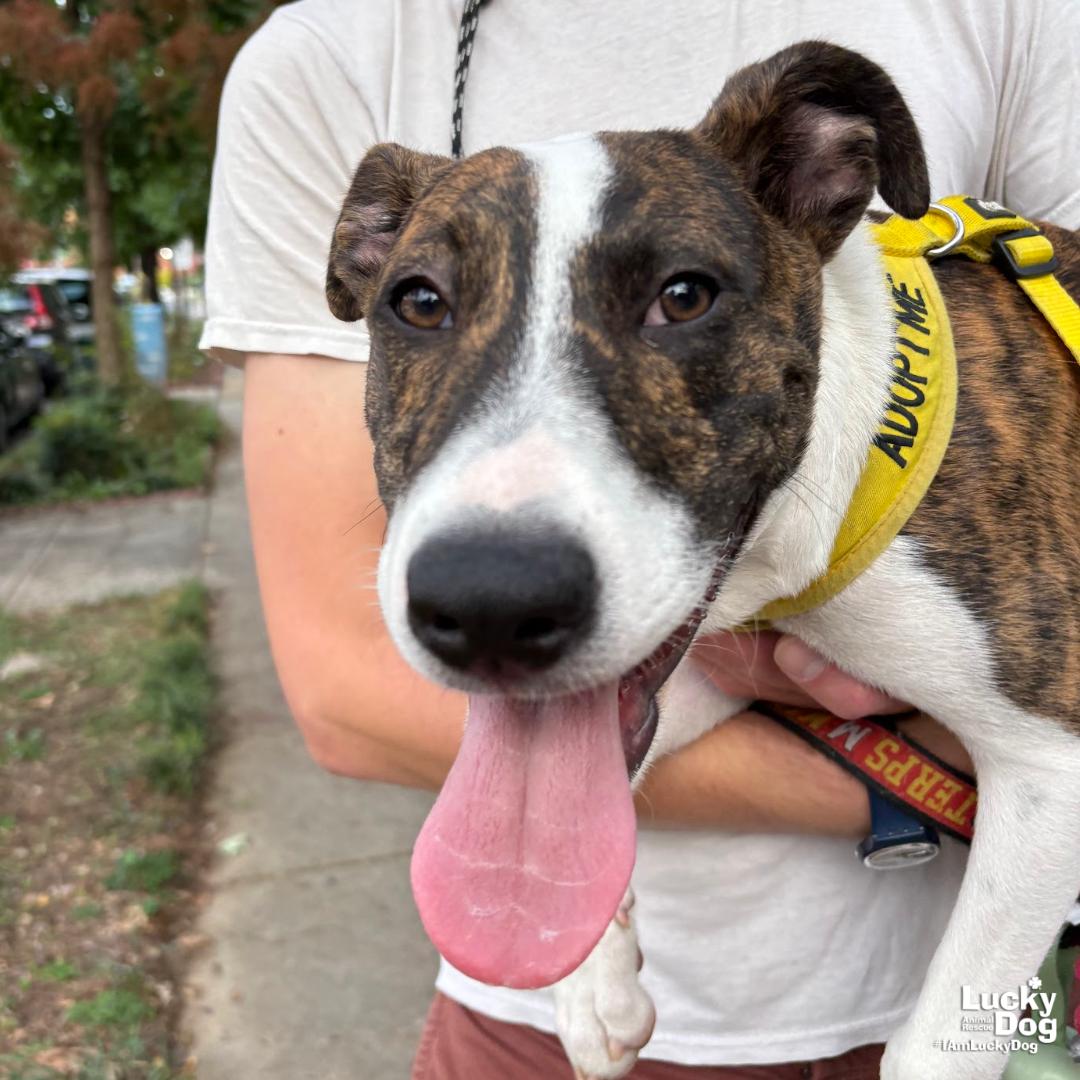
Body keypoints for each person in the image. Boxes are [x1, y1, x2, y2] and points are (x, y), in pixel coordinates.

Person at [200, 2, 1080, 1076]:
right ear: (372, 259)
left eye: (681, 295)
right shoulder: (338, 47)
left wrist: (949, 1057)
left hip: (961, 998)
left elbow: (1059, 769)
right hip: (524, 1039)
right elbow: (345, 701)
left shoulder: (952, 447)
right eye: (423, 301)